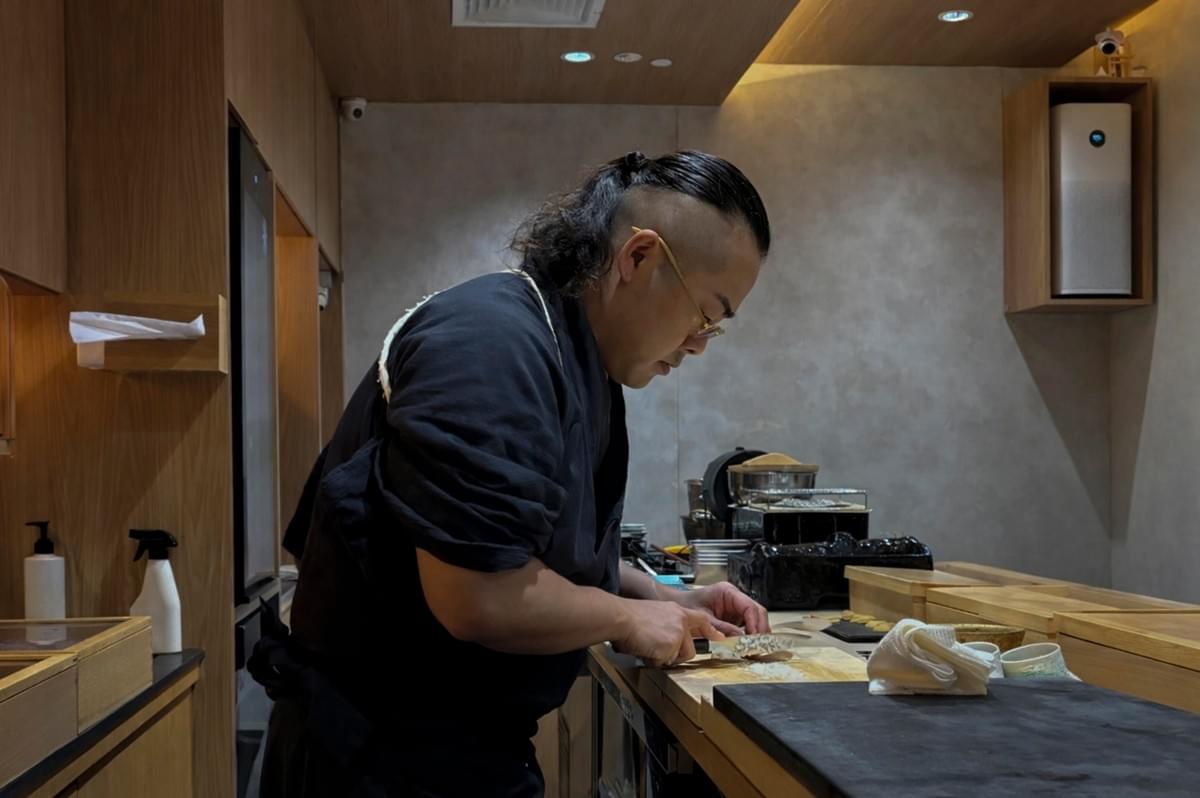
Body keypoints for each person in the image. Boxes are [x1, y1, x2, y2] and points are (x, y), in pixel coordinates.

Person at [253, 150, 773, 797]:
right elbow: (479, 594)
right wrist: (623, 619)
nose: (699, 343)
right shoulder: (492, 344)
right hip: (378, 755)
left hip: (448, 749)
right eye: (707, 314)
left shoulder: (572, 358)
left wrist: (662, 599)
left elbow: (522, 548)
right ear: (638, 258)